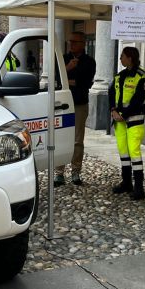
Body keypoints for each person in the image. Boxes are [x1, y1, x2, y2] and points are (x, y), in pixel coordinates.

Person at [110, 46, 145, 200]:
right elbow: (111, 94)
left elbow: (138, 99)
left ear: (130, 58)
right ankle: (126, 183)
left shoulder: (142, 77)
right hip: (119, 121)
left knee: (134, 153)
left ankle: (139, 189)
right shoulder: (119, 76)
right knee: (124, 152)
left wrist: (123, 114)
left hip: (134, 121)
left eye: (122, 56)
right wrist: (113, 110)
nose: (120, 58)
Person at [55, 32, 96, 187]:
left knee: (77, 140)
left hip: (79, 104)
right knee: (60, 137)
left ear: (83, 43)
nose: (71, 44)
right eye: (70, 41)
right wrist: (68, 68)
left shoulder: (89, 61)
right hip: (62, 104)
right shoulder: (62, 58)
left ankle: (76, 171)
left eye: (75, 41)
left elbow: (86, 82)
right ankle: (59, 173)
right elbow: (56, 79)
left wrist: (68, 79)